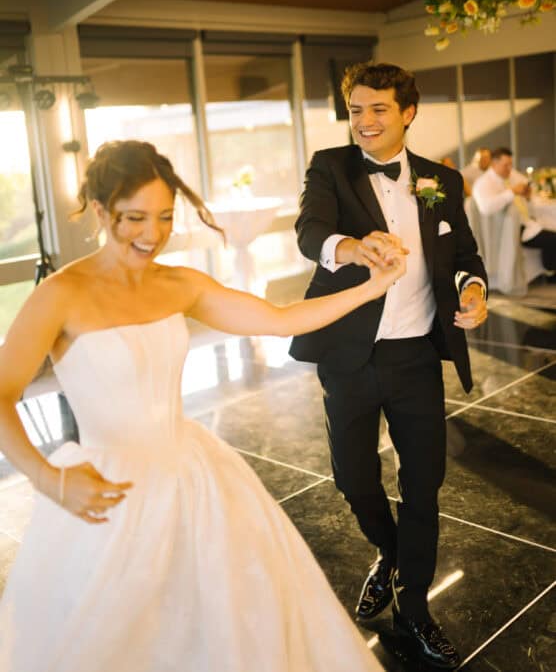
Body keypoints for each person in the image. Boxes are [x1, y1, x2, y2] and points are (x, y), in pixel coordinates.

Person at [0, 141, 409, 672]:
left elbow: (279, 318)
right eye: (135, 218)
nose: (153, 234)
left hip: (194, 475)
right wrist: (49, 478)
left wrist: (373, 288)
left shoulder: (180, 283)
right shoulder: (60, 294)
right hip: (108, 486)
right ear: (100, 212)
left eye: (166, 217)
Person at [290, 62, 488, 670]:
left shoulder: (440, 179)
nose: (365, 122)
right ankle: (388, 549)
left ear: (407, 113)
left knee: (423, 483)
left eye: (378, 110)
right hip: (349, 357)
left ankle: (415, 606)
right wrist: (350, 247)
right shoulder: (331, 167)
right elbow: (310, 230)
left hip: (415, 356)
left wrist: (473, 290)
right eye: (356, 110)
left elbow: (463, 252)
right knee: (352, 478)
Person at [472, 147, 556, 273]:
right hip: (506, 229)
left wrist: (527, 194)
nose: (510, 168)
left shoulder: (511, 174)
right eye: (506, 165)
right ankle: (550, 270)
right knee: (552, 238)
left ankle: (549, 268)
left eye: (511, 164)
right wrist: (511, 192)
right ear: (494, 164)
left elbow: (527, 184)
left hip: (525, 221)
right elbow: (486, 208)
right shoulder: (483, 183)